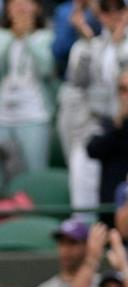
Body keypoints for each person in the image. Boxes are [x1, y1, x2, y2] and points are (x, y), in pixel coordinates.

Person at [58, 0, 128, 219]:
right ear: (99, 15)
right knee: (83, 188)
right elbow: (77, 81)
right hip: (94, 125)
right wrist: (89, 41)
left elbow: (121, 80)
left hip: (125, 129)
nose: (114, 15)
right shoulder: (86, 45)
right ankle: (86, 238)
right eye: (107, 10)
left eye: (119, 9)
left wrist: (116, 48)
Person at [0, 0, 56, 180]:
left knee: (35, 176)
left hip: (35, 114)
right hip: (0, 115)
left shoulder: (45, 36)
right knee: (2, 174)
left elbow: (46, 68)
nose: (21, 7)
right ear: (7, 9)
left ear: (37, 8)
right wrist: (13, 36)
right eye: (15, 2)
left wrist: (27, 37)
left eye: (27, 2)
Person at [33, 218, 95, 287]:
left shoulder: (103, 286)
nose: (66, 249)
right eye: (62, 243)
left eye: (72, 243)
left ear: (86, 246)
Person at [87, 68, 128, 211]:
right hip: (111, 206)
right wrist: (117, 127)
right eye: (123, 89)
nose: (126, 96)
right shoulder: (108, 121)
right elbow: (92, 150)